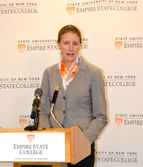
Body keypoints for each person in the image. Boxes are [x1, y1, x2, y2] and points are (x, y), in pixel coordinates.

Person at [39, 25, 108, 167]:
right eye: (66, 43)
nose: (71, 48)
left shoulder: (93, 73)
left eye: (75, 43)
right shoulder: (49, 73)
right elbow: (43, 111)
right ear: (58, 45)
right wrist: (50, 137)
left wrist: (82, 140)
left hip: (82, 150)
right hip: (55, 148)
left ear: (80, 46)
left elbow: (101, 117)